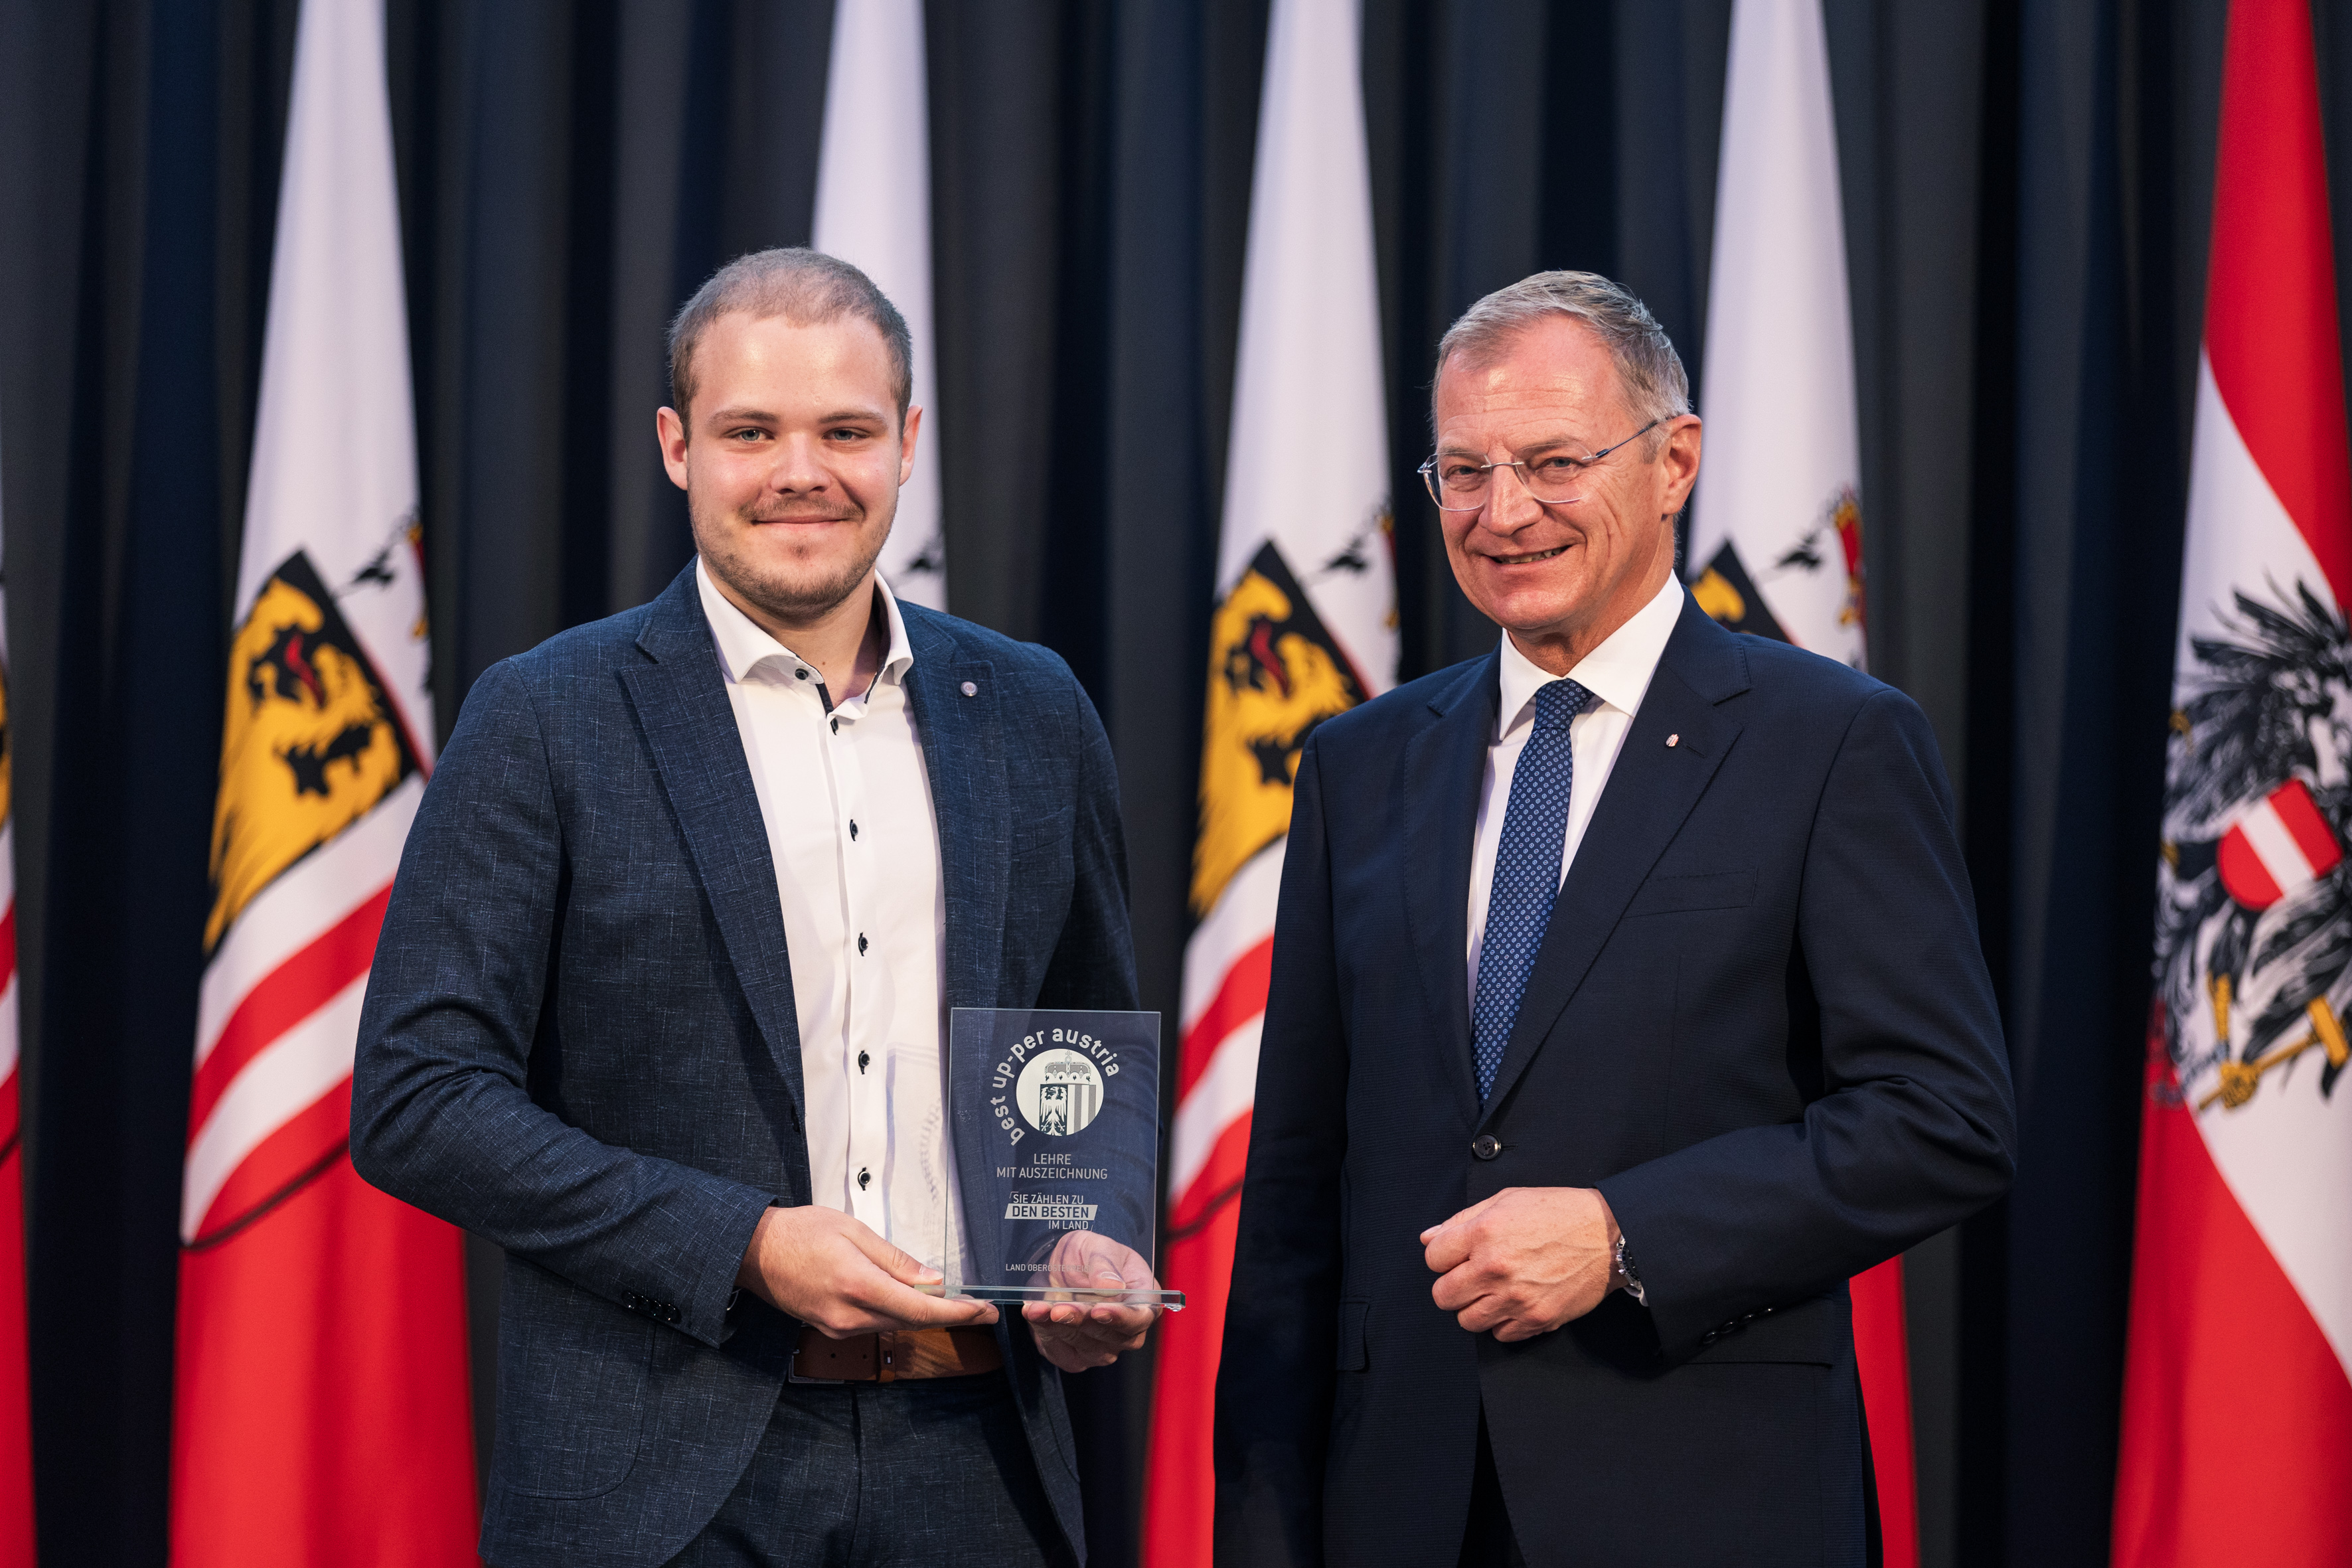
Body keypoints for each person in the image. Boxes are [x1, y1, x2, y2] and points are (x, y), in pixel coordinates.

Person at [353, 248, 1154, 1568]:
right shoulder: (547, 714)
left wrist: (1086, 1247)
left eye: (845, 430)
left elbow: (1075, 1058)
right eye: (750, 431)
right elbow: (418, 1098)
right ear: (677, 447)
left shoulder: (1031, 709)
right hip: (653, 1484)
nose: (801, 470)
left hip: (979, 1470)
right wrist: (746, 1244)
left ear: (906, 443)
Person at [1213, 272, 2015, 1566]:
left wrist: (1623, 1232)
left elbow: (1943, 1117)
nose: (1503, 511)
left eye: (1552, 461)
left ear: (1673, 461)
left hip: (1705, 1498)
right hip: (1399, 1502)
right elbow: (1298, 1193)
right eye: (1463, 471)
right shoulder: (1358, 765)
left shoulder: (1830, 742)